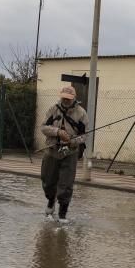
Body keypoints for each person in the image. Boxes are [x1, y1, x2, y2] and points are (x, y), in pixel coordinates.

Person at [40, 85, 88, 223]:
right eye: (64, 98)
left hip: (70, 152)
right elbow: (43, 127)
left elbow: (84, 136)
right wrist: (57, 132)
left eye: (69, 98)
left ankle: (62, 213)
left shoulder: (81, 113)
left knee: (66, 184)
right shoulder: (53, 109)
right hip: (51, 150)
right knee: (47, 181)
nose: (66, 100)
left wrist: (72, 141)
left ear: (74, 98)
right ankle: (51, 200)